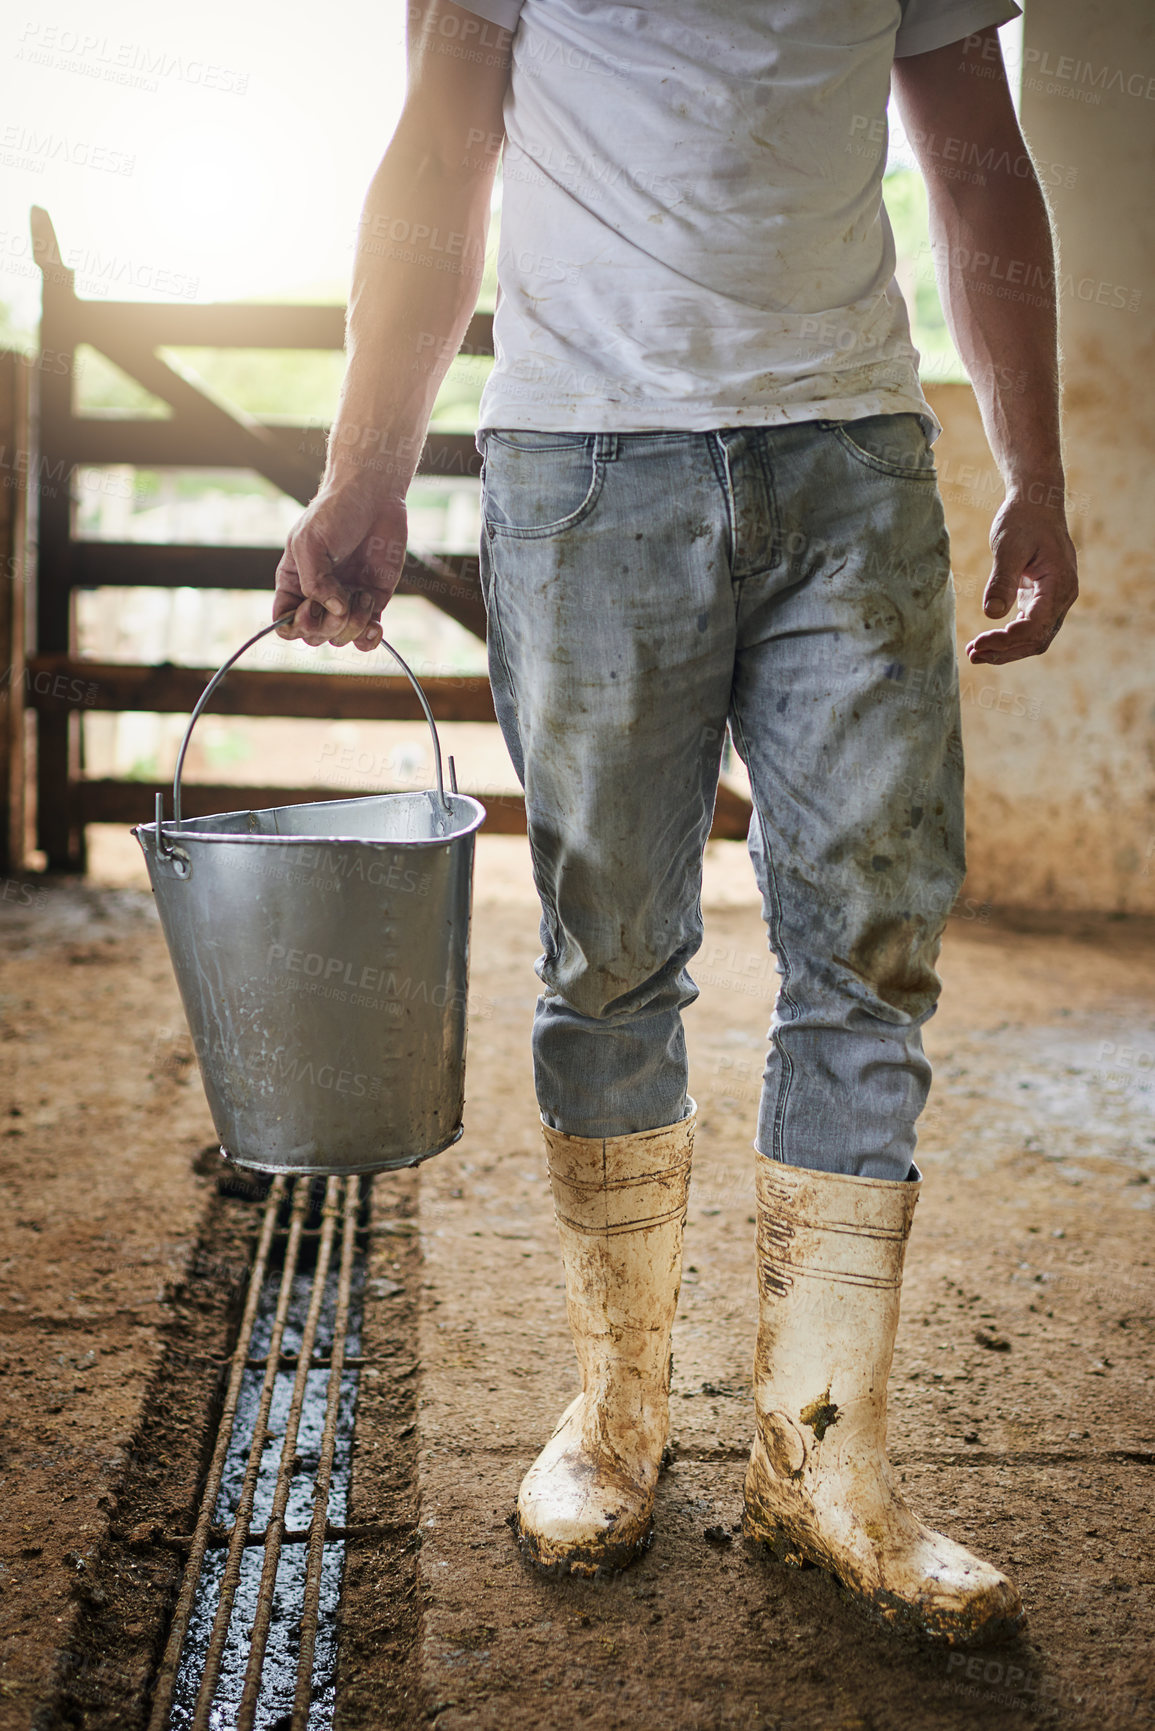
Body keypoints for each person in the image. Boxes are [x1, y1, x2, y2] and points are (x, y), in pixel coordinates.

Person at [273, 0, 1078, 1643]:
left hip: (849, 456)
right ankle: (614, 1423)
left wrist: (1036, 465)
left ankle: (823, 1457)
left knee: (871, 951)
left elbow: (980, 160)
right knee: (612, 956)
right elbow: (441, 151)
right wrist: (369, 462)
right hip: (586, 464)